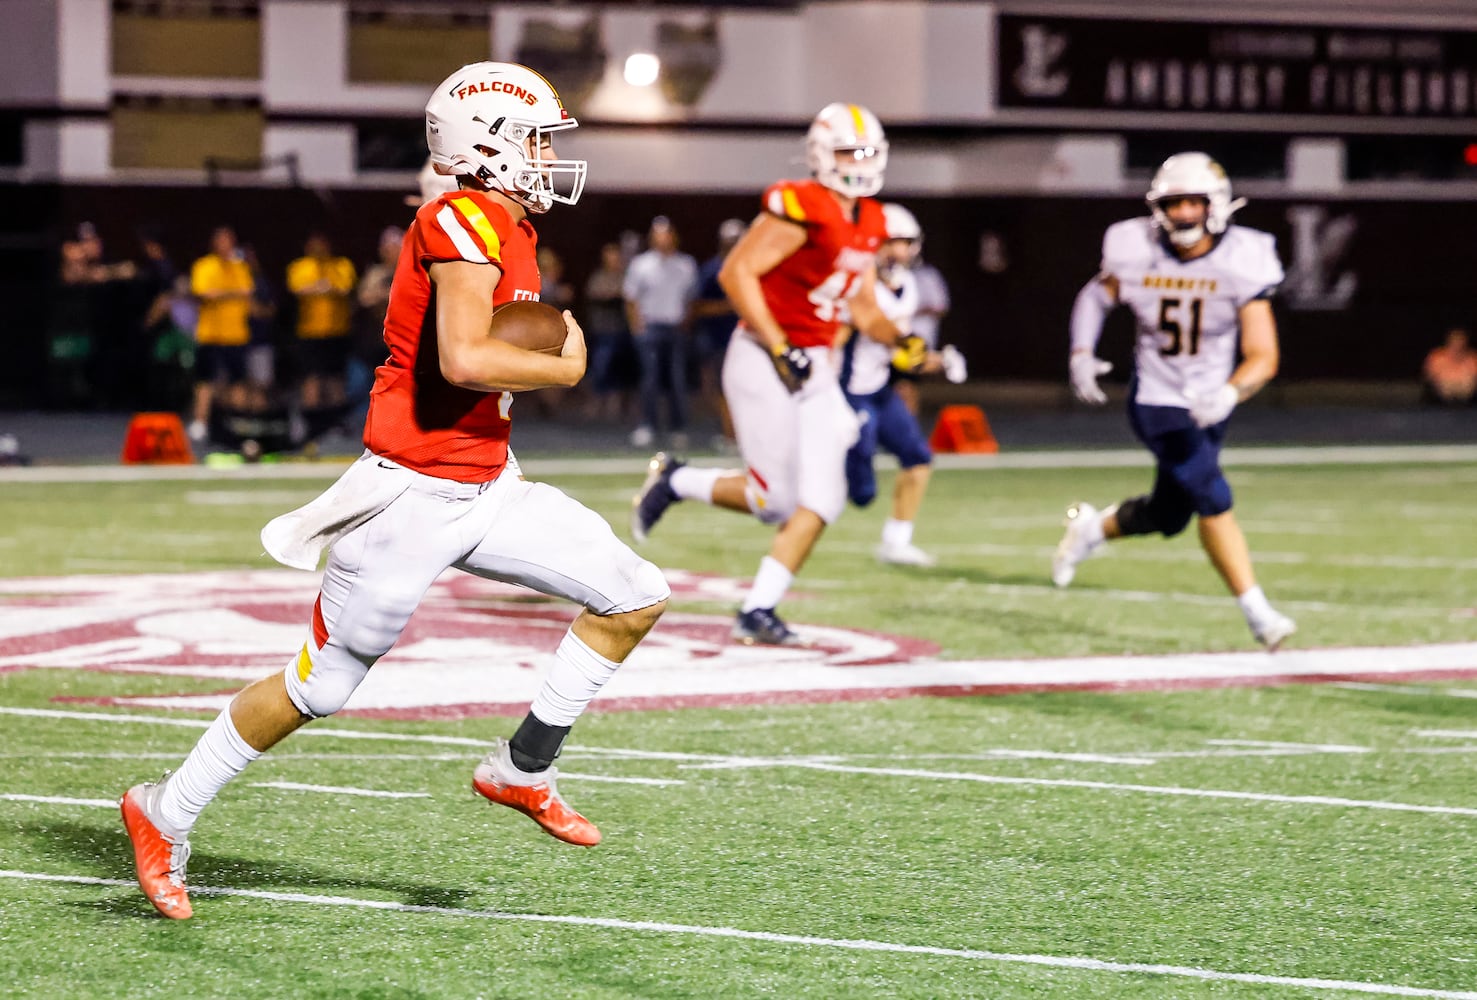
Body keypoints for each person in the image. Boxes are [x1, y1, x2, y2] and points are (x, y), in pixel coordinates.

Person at [120, 60, 670, 920]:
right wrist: (561, 366)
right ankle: (164, 810)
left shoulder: (509, 220)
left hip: (487, 482)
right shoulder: (457, 216)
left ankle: (521, 768)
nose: (545, 153)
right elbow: (462, 359)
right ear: (485, 144)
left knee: (635, 595)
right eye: (532, 138)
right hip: (409, 496)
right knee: (324, 687)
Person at [630, 102, 904, 646]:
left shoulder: (870, 220)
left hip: (815, 366)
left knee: (823, 501)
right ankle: (677, 481)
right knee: (774, 500)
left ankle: (758, 609)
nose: (860, 162)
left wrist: (904, 341)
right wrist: (780, 344)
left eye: (868, 151)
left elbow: (865, 308)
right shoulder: (799, 205)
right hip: (763, 353)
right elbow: (737, 274)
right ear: (822, 155)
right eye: (850, 150)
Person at [1053, 152, 1296, 651]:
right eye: (1173, 202)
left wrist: (1229, 392)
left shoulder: (1243, 257)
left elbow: (1263, 355)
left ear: (1218, 205)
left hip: (1211, 399)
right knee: (1211, 494)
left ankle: (1092, 530)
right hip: (1157, 398)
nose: (1184, 213)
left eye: (1193, 201)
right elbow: (1095, 297)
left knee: (1170, 515)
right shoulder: (1135, 247)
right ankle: (1259, 614)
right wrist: (1081, 352)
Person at [840, 202, 967, 567]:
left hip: (878, 388)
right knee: (861, 490)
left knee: (918, 458)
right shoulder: (856, 283)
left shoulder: (908, 285)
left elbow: (900, 351)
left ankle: (896, 541)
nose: (900, 250)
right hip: (846, 391)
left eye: (906, 241)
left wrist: (938, 360)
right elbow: (877, 333)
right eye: (892, 241)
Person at [623, 216, 699, 449]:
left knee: (677, 380)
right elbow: (631, 298)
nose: (662, 239)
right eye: (657, 234)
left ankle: (678, 428)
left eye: (665, 234)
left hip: (675, 328)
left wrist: (687, 321)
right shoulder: (641, 264)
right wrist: (637, 327)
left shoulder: (685, 264)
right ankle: (648, 425)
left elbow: (691, 298)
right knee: (650, 379)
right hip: (651, 328)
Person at [188, 226, 255, 444]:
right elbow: (203, 293)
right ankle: (201, 422)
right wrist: (230, 293)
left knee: (236, 382)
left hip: (236, 334)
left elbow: (247, 292)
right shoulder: (204, 266)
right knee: (205, 380)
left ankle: (237, 422)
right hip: (210, 334)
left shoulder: (240, 267)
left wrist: (222, 294)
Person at [286, 232, 357, 413]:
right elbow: (298, 289)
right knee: (311, 376)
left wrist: (320, 288)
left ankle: (337, 420)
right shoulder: (299, 267)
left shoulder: (342, 265)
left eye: (322, 243)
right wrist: (325, 288)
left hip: (337, 331)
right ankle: (312, 419)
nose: (319, 247)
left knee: (336, 378)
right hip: (309, 332)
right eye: (314, 243)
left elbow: (345, 288)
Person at [689, 218, 746, 439]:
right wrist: (732, 305)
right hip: (719, 339)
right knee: (722, 388)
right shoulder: (713, 270)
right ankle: (730, 433)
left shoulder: (750, 265)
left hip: (748, 339)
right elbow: (699, 307)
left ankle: (741, 433)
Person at [582, 241, 633, 422]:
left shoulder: (626, 276)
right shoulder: (599, 277)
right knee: (601, 367)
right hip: (603, 331)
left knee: (621, 370)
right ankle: (596, 403)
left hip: (623, 331)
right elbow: (596, 295)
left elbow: (630, 297)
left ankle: (617, 406)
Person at [1421, 326, 1477, 407]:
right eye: (1455, 342)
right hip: (1440, 399)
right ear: (1448, 342)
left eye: (1461, 342)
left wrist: (1462, 386)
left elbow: (1473, 379)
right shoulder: (1436, 357)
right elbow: (1429, 377)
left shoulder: (1473, 358)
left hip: (1468, 400)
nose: (1457, 346)